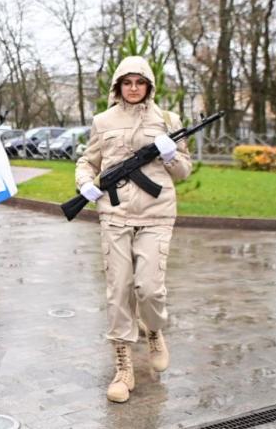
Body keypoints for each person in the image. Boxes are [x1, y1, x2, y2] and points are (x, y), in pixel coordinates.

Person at [74, 55, 192, 403]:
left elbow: (184, 171)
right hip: (115, 214)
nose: (134, 88)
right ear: (118, 86)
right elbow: (87, 160)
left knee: (150, 289)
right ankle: (123, 366)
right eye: (127, 82)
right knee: (119, 288)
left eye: (140, 82)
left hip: (156, 213)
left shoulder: (168, 120)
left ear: (149, 85)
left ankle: (153, 329)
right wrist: (84, 183)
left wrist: (171, 155)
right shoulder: (102, 120)